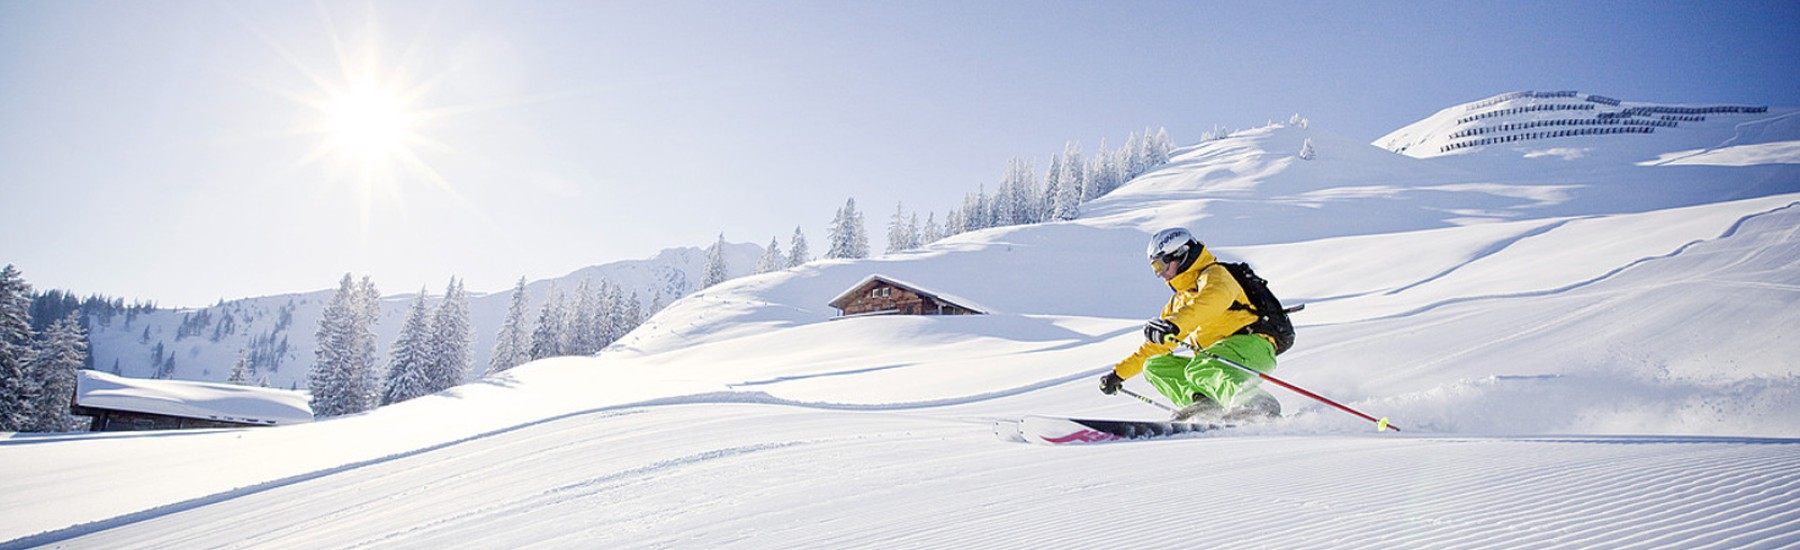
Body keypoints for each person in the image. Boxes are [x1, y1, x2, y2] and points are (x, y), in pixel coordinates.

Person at [1098, 228, 1281, 421]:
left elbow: (1211, 301)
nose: (1160, 275)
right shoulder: (1178, 301)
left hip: (1254, 346)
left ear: (1181, 255)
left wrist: (1174, 325)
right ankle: (1205, 404)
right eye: (1155, 269)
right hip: (1217, 358)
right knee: (1155, 365)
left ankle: (1255, 404)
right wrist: (1119, 374)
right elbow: (1156, 348)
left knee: (1203, 365)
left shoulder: (1216, 275)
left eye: (1161, 266)